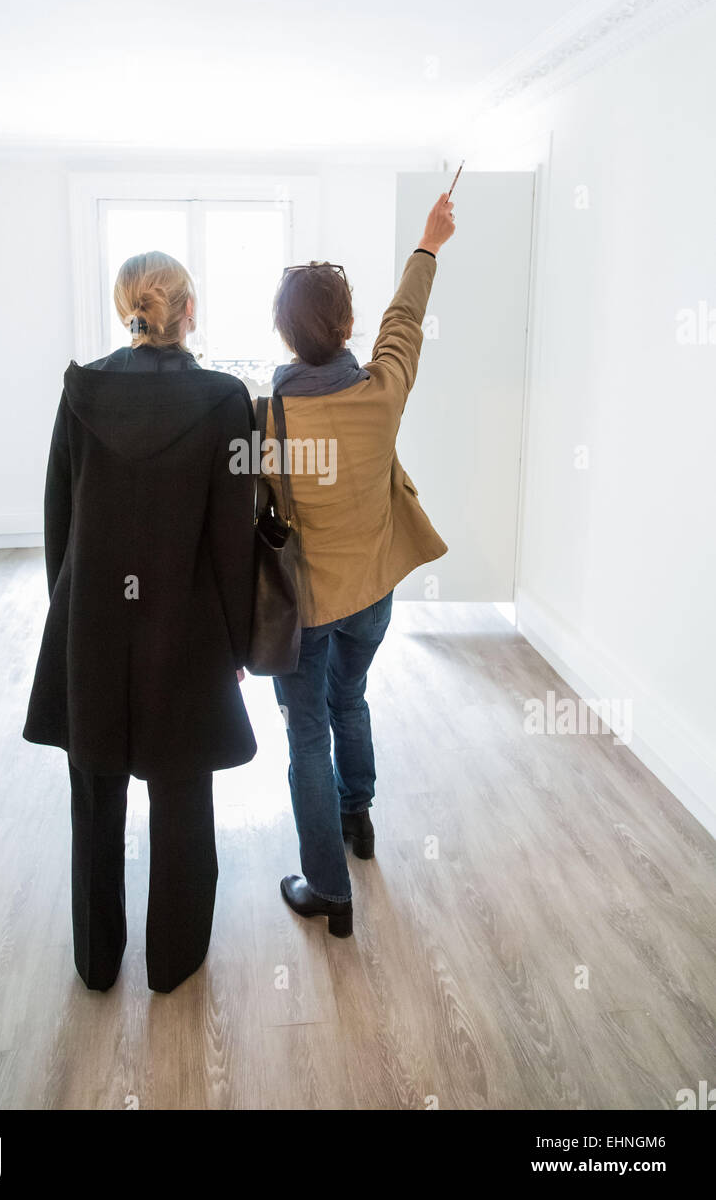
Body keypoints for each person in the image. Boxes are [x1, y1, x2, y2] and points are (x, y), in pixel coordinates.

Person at [23, 252, 256, 993]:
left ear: (127, 308)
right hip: (184, 634)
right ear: (190, 312)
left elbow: (59, 519)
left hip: (90, 624)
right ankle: (175, 960)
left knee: (94, 795)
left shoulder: (80, 391)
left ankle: (96, 962)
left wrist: (71, 611)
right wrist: (241, 641)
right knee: (182, 796)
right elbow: (234, 539)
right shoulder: (225, 400)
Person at [267, 193, 457, 936]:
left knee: (307, 729)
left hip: (306, 608)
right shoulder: (383, 393)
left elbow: (255, 518)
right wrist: (428, 245)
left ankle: (330, 891)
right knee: (351, 700)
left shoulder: (270, 420)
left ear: (284, 337)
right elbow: (403, 323)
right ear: (346, 327)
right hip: (372, 598)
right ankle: (359, 818)